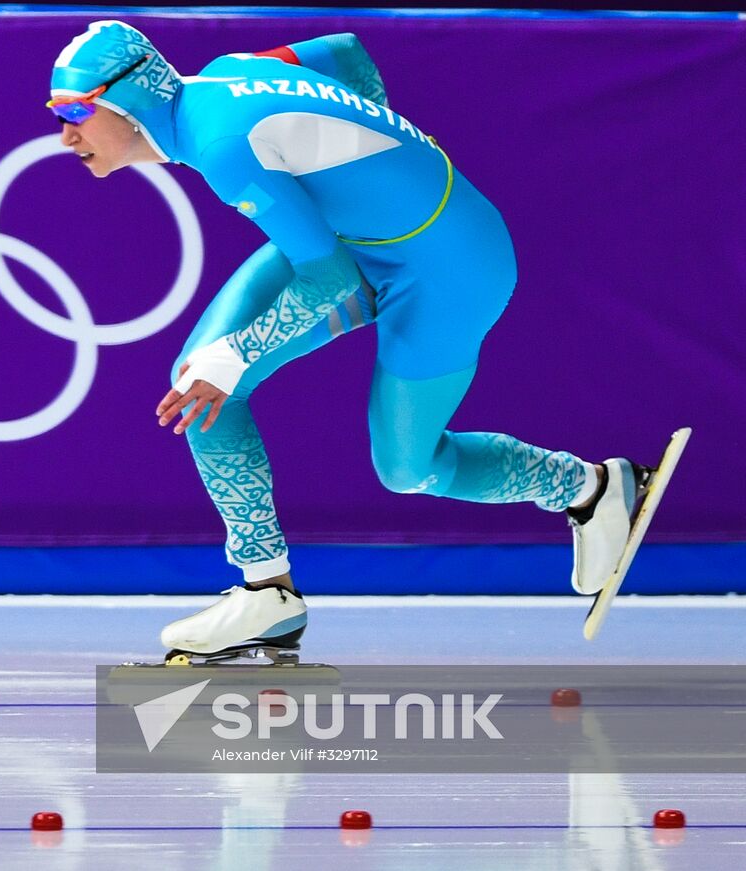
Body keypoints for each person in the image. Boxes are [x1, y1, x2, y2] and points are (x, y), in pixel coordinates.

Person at [47, 21, 652, 658]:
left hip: (453, 267)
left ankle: (591, 489)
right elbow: (342, 51)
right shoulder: (225, 70)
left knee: (407, 468)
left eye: (76, 112)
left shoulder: (221, 142)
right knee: (203, 385)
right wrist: (383, 157)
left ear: (130, 98)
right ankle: (265, 593)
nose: (66, 135)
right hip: (359, 244)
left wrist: (237, 354)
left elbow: (328, 277)